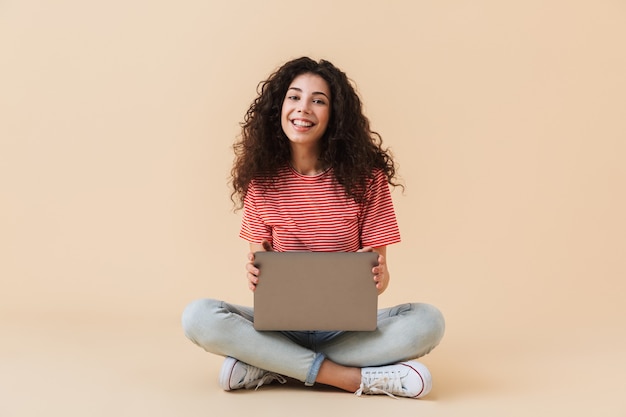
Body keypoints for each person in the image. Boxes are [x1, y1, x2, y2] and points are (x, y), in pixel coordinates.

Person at [182, 57, 445, 399]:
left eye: (318, 100)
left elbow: (380, 281)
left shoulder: (367, 180)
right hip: (280, 330)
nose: (302, 109)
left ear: (335, 115)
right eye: (294, 97)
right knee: (198, 317)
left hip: (345, 331)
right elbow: (262, 271)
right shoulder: (260, 183)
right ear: (279, 106)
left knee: (428, 322)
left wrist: (378, 278)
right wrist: (254, 274)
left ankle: (270, 364)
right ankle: (350, 379)